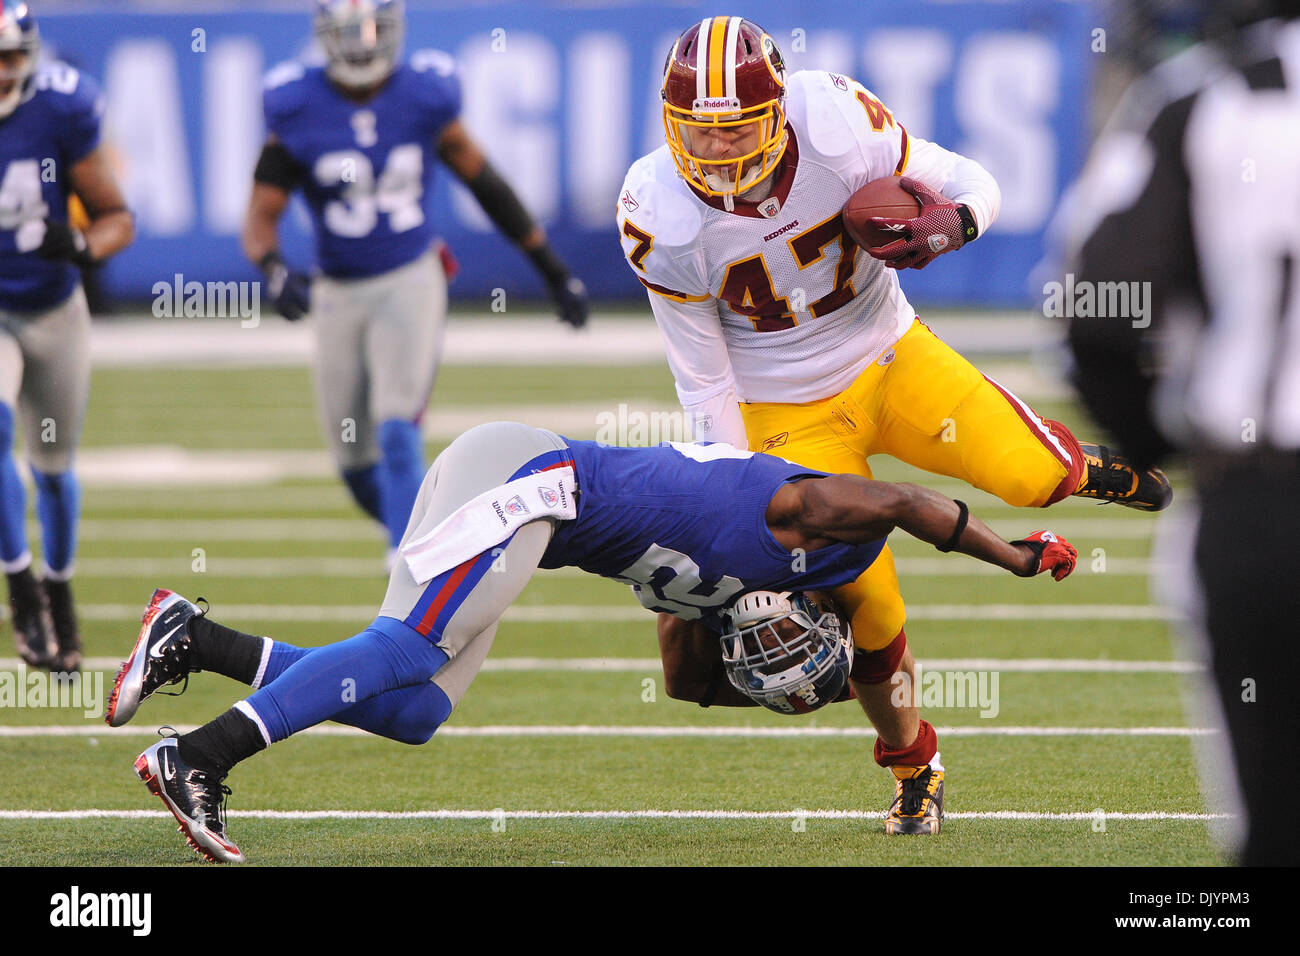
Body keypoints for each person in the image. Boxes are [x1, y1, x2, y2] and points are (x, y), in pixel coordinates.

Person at [616, 15, 1172, 832]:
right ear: (671, 127)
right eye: (699, 135)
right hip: (782, 414)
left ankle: (1083, 468)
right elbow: (704, 381)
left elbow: (974, 180)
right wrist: (738, 506)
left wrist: (949, 225)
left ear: (774, 115)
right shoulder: (657, 210)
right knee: (871, 610)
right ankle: (917, 765)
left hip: (888, 356)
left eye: (736, 132)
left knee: (1030, 479)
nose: (720, 156)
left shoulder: (835, 121)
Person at [105, 421, 1078, 862]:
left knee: (411, 710)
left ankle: (194, 636)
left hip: (533, 514)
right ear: (814, 597)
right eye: (793, 638)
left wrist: (766, 685)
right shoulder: (809, 518)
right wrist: (1016, 554)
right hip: (528, 473)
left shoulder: (714, 615)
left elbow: (687, 685)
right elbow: (910, 498)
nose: (779, 636)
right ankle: (195, 754)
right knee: (404, 645)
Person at [1065, 0, 1300, 866]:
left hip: (1264, 499)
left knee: (1273, 829)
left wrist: (1153, 443)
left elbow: (1097, 308)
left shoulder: (1200, 100)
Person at [242, 0, 589, 564]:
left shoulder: (424, 96)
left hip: (409, 276)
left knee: (397, 429)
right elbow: (260, 217)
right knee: (354, 463)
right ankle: (440, 545)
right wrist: (275, 268)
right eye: (348, 33)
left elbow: (487, 184)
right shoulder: (297, 106)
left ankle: (410, 577)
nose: (361, 44)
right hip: (337, 289)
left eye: (371, 30)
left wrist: (550, 269)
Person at [0, 0, 134, 673]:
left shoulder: (59, 108)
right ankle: (20, 587)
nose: (0, 73)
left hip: (53, 305)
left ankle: (57, 586)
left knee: (53, 468)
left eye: (9, 58)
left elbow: (117, 217)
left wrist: (80, 242)